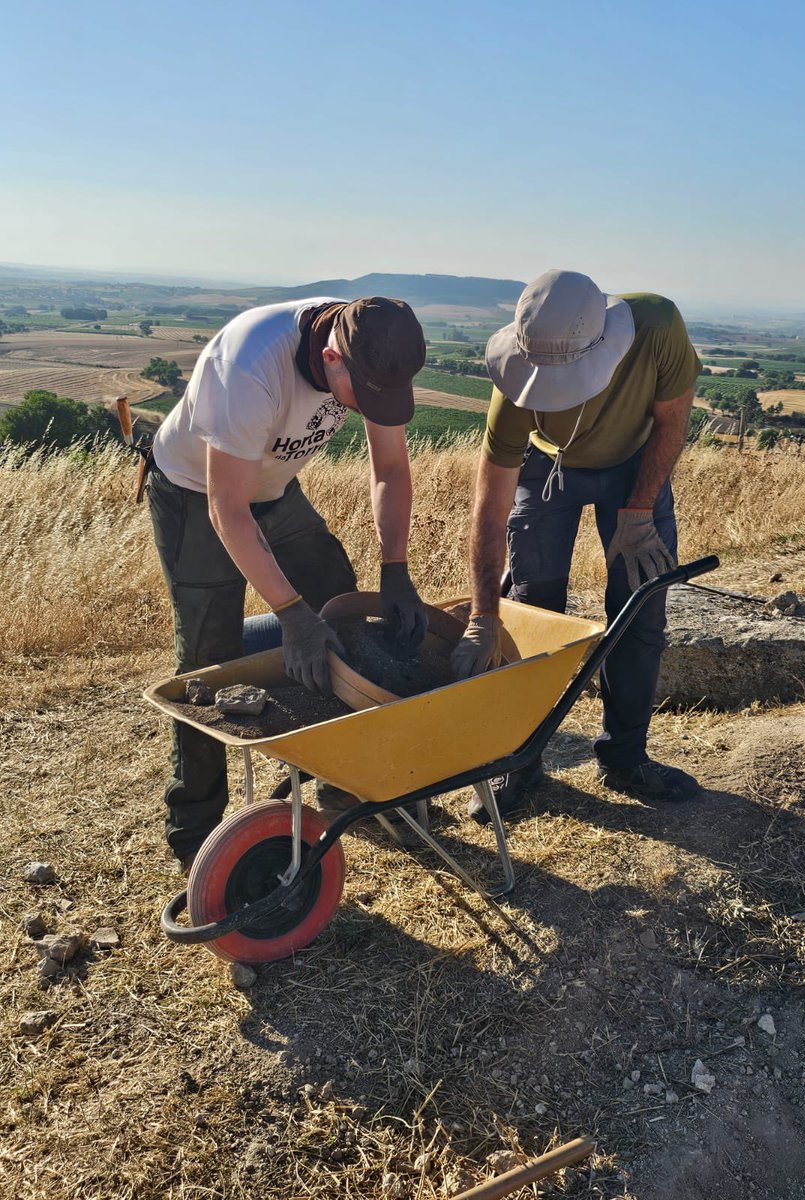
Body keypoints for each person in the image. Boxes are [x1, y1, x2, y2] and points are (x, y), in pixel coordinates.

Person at [147, 295, 427, 867]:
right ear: (331, 356)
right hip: (194, 494)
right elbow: (228, 509)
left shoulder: (375, 345)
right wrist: (292, 615)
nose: (371, 407)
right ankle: (197, 837)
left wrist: (395, 568)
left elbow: (391, 469)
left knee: (344, 609)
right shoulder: (250, 367)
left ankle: (342, 777)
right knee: (208, 659)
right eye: (363, 396)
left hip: (274, 492)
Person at [451, 269, 701, 821]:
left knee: (640, 607)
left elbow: (671, 422)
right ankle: (518, 762)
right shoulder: (514, 391)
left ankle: (625, 758)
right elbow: (489, 512)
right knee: (532, 610)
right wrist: (482, 616)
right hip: (549, 467)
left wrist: (638, 512)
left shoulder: (658, 325)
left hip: (637, 465)